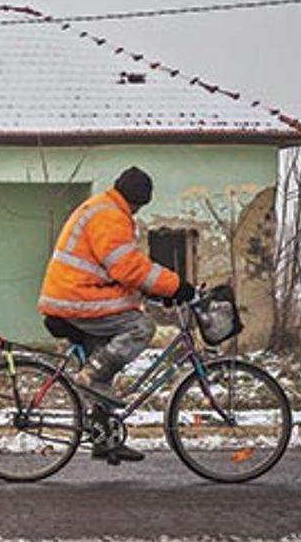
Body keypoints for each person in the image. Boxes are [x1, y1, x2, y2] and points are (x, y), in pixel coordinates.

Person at [37, 166, 195, 463]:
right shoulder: (110, 216)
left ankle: (104, 438)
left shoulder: (103, 207)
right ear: (137, 202)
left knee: (105, 364)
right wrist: (176, 286)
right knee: (140, 326)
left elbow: (117, 271)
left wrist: (153, 290)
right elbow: (128, 267)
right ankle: (90, 376)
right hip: (76, 298)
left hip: (79, 294)